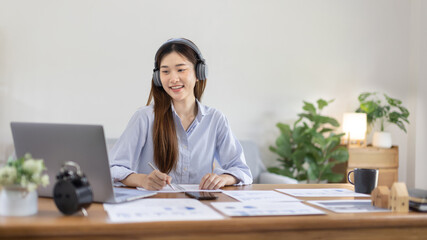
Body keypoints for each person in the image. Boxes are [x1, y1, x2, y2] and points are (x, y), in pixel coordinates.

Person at [109, 38, 252, 190]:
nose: (173, 79)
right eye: (165, 71)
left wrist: (223, 178)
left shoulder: (215, 119)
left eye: (181, 69)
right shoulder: (144, 117)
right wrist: (142, 180)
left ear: (199, 73)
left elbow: (242, 170)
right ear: (158, 78)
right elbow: (113, 169)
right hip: (154, 207)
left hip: (199, 207)